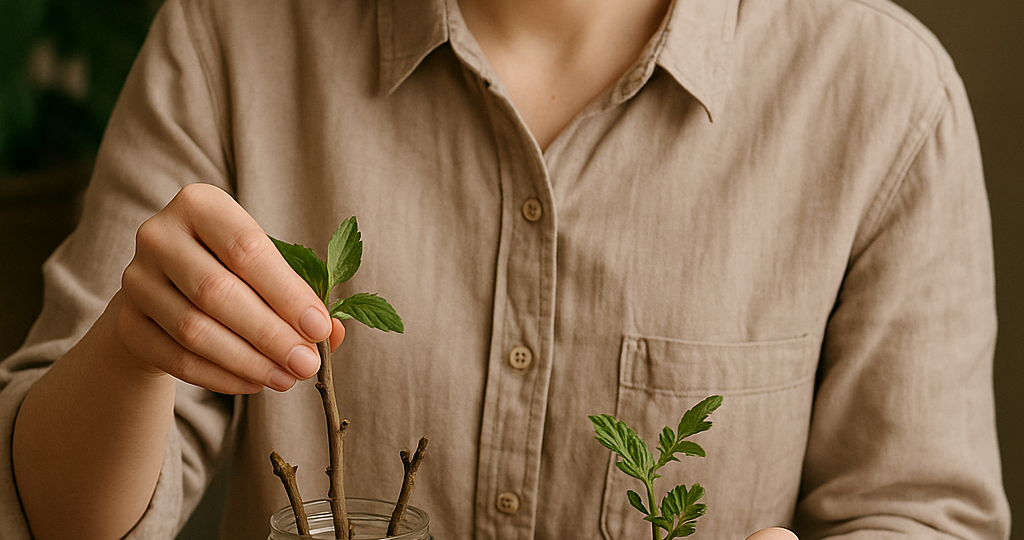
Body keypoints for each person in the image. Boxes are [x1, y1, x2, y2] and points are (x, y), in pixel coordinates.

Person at [0, 0, 1010, 538]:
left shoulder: (885, 97)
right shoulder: (229, 32)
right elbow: (51, 522)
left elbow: (920, 510)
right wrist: (132, 356)